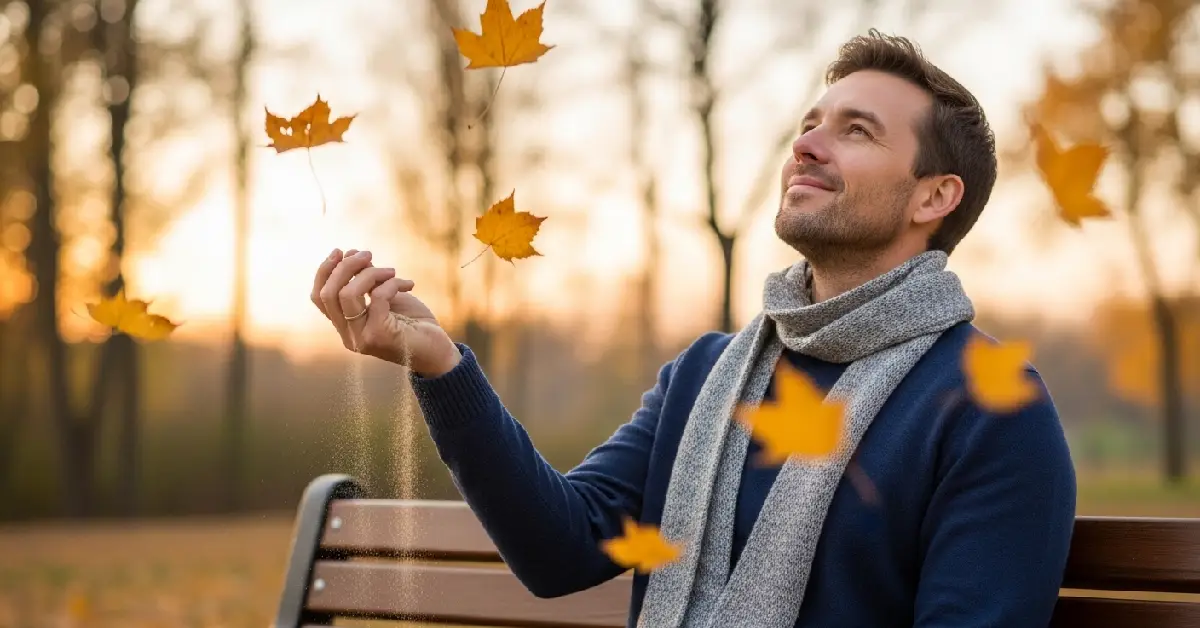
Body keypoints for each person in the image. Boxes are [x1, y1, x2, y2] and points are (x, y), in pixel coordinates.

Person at [309, 29, 1076, 628]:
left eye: (857, 131)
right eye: (810, 124)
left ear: (934, 197)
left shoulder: (988, 410)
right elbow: (561, 548)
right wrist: (443, 366)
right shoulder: (709, 376)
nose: (806, 144)